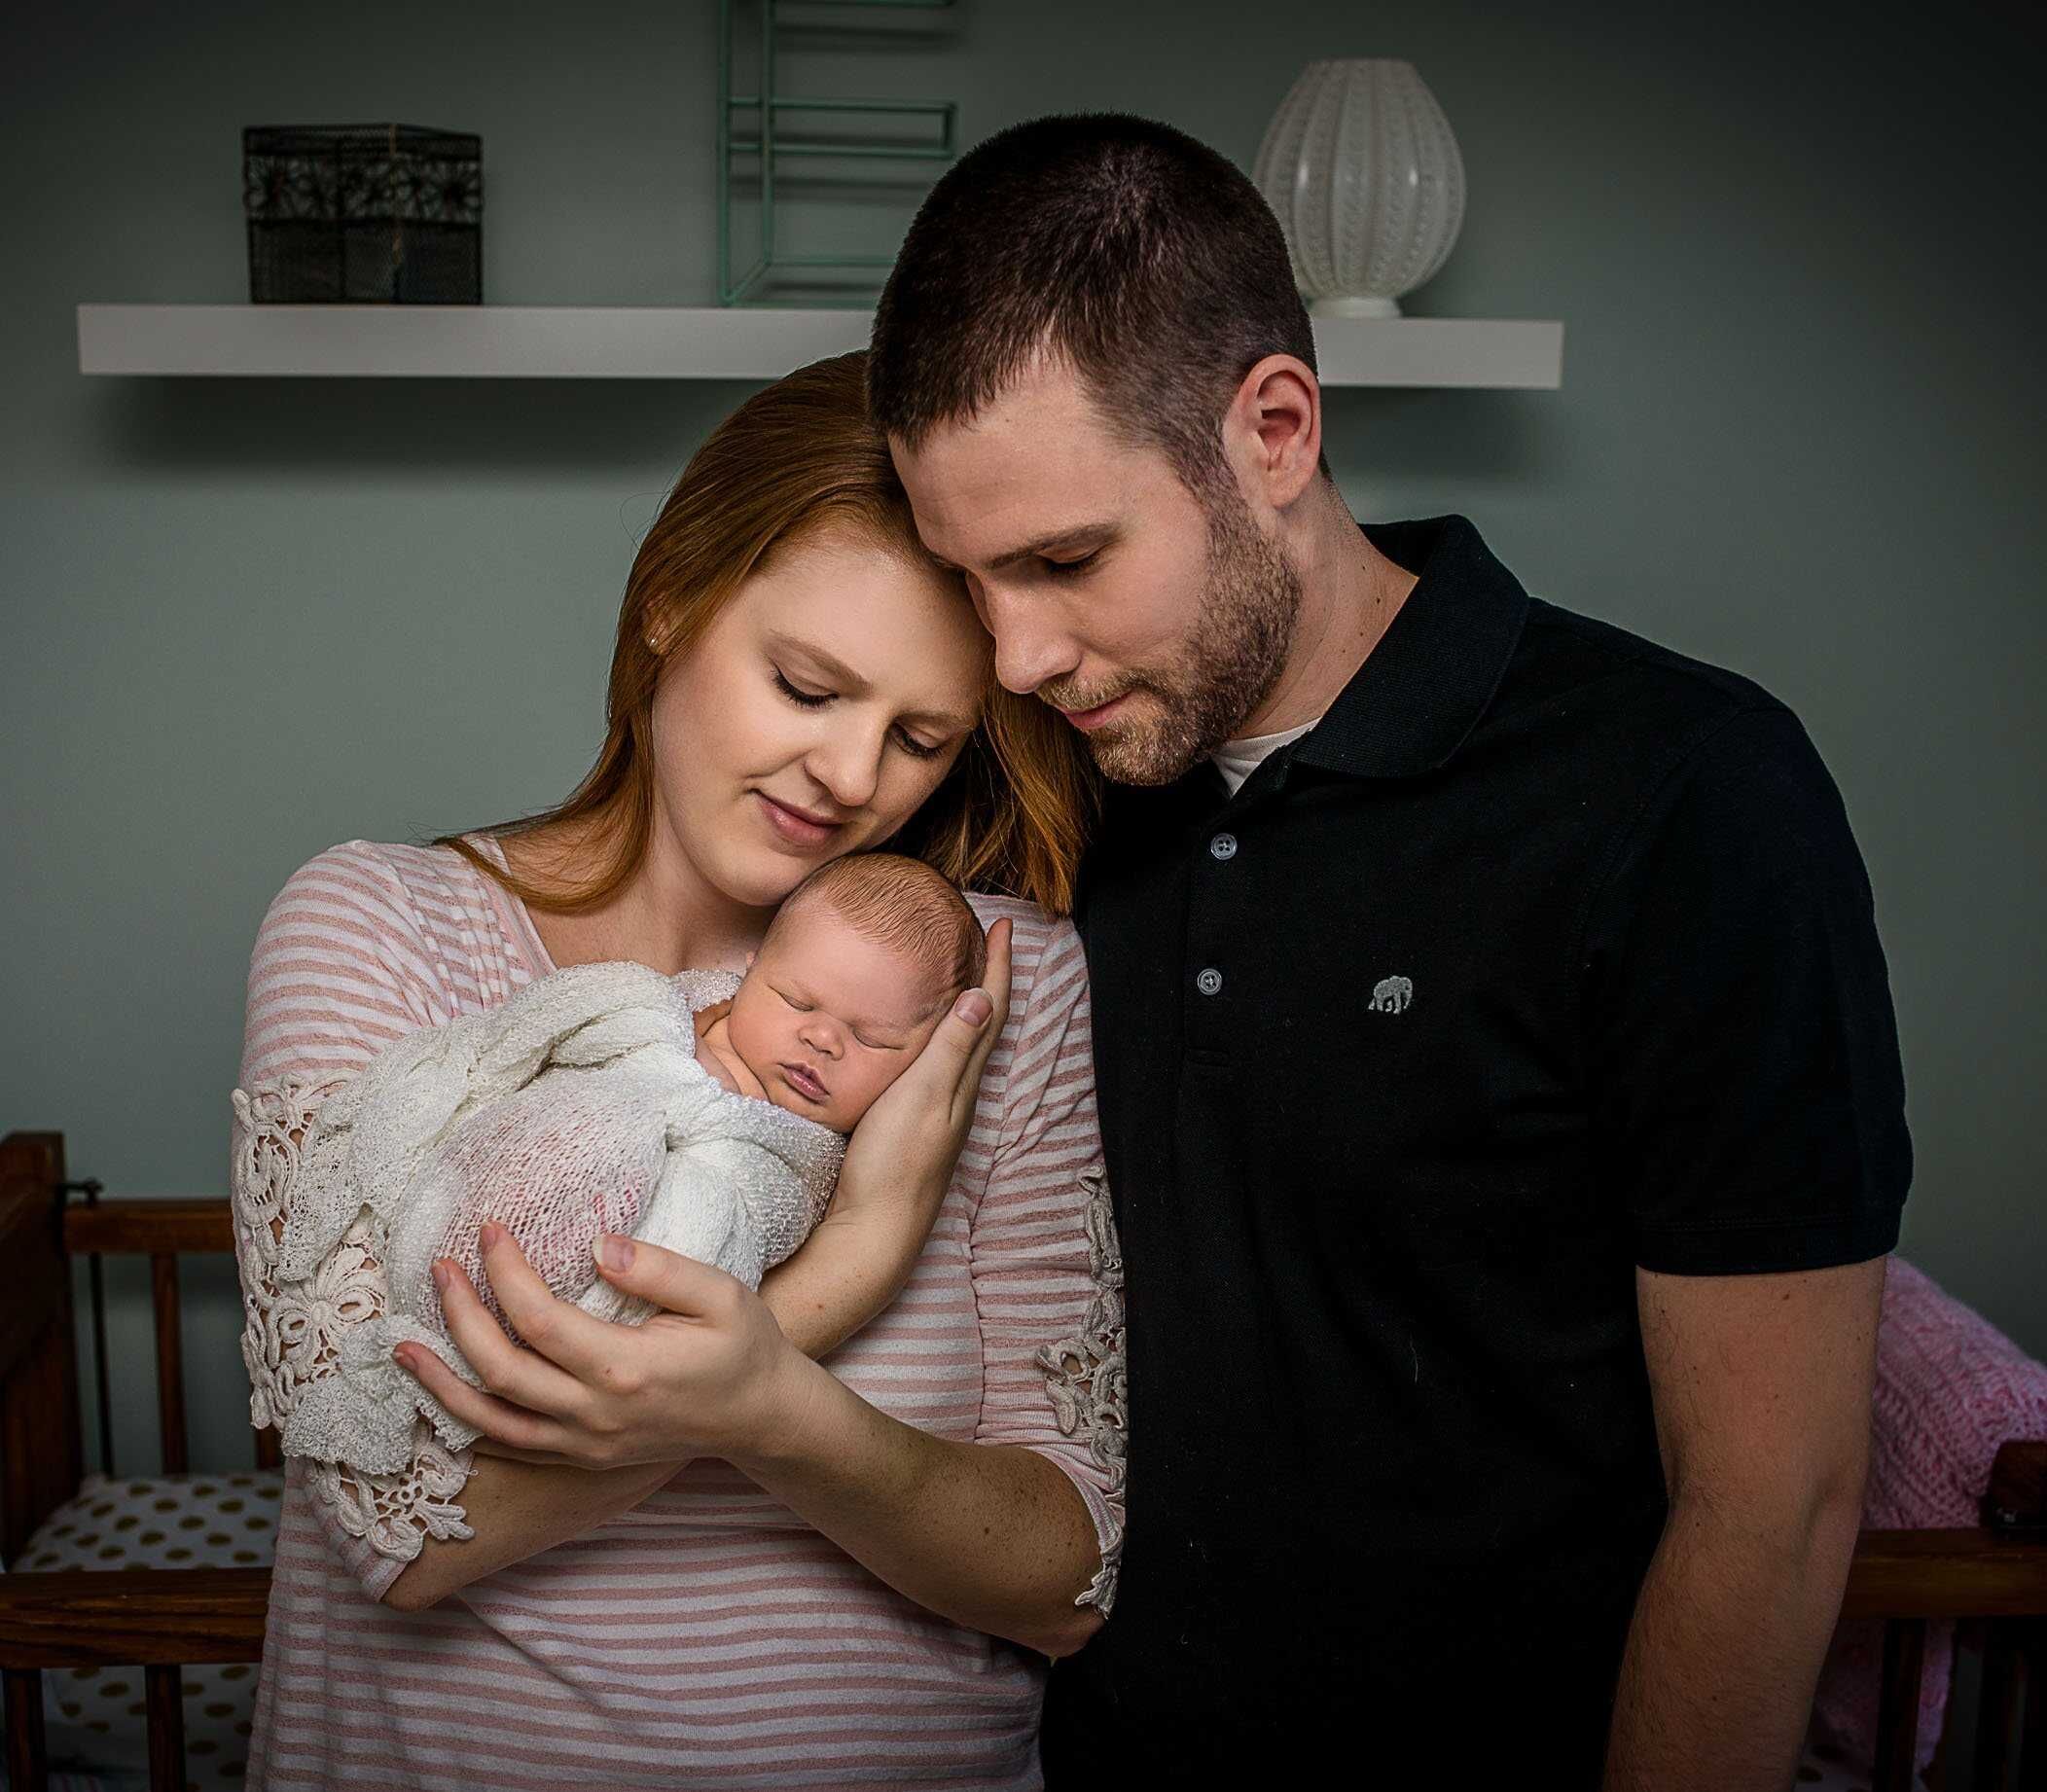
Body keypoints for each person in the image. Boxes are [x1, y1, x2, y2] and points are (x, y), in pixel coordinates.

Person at [864, 115, 1912, 1788]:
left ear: (1271, 429)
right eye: (968, 581)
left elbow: (1766, 1501)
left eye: (1064, 561)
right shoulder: (1025, 788)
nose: (1016, 652)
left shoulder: (1683, 794)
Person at [229, 353, 1123, 1790]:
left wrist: (768, 1403)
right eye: (806, 683)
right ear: (670, 599)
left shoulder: (976, 986)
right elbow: (400, 1532)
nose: (848, 775)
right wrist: (856, 1258)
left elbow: (1065, 1579)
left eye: (917, 737)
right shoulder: (380, 925)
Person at [248, 852, 988, 1486]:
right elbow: (532, 1042)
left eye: (875, 1040)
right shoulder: (669, 1015)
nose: (822, 1039)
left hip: (610, 1284)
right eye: (797, 1000)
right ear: (748, 973)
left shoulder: (803, 1157)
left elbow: (758, 1231)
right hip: (487, 1208)